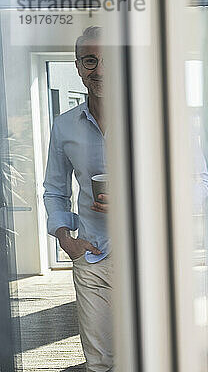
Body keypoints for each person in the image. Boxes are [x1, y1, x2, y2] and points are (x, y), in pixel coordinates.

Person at [43, 26, 113, 371]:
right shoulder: (64, 125)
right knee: (99, 361)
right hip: (92, 255)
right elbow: (55, 190)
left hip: (148, 257)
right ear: (78, 66)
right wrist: (64, 238)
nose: (99, 69)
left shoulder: (149, 120)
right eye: (90, 60)